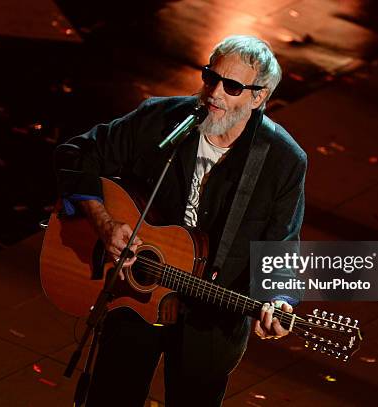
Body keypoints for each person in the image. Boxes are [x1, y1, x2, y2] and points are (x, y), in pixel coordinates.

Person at [54, 35, 307, 406]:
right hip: (134, 297)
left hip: (210, 324)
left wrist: (279, 299)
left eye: (232, 86)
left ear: (258, 97)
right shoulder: (162, 120)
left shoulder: (283, 160)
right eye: (210, 78)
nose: (214, 93)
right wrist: (105, 223)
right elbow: (75, 155)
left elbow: (282, 243)